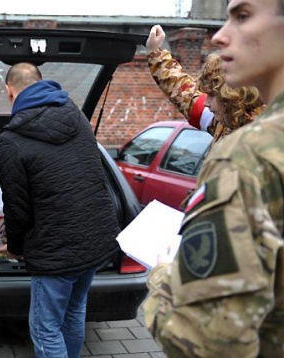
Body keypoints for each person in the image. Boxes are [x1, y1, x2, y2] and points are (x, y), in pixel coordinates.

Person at [143, 0, 284, 356]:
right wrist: (159, 56)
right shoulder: (226, 121)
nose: (220, 36)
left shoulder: (246, 154)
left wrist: (162, 278)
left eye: (243, 16)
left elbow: (205, 341)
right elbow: (188, 96)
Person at [0, 62, 121, 358]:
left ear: (8, 91)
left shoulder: (11, 139)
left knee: (45, 328)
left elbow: (17, 208)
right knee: (74, 312)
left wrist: (14, 247)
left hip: (55, 252)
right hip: (94, 241)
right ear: (42, 82)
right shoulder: (76, 115)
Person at [146, 24, 263, 143]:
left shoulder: (264, 140)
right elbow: (185, 94)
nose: (206, 103)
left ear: (234, 96)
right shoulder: (227, 121)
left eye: (212, 95)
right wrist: (155, 53)